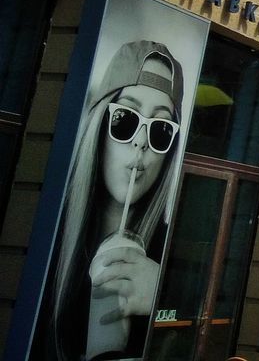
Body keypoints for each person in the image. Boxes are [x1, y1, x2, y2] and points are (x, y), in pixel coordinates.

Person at [47, 41, 186, 361]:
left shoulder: (171, 250)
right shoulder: (48, 232)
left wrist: (162, 303)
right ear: (99, 126)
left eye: (161, 130)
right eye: (125, 119)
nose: (140, 143)